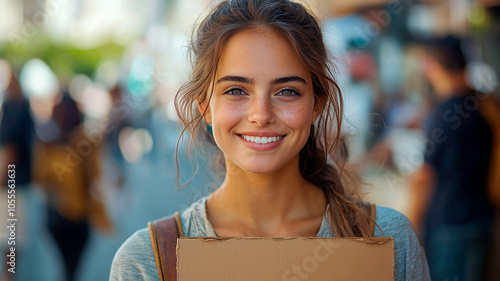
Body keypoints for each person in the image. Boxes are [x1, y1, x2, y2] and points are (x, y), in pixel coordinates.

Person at [110, 1, 430, 280]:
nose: (260, 115)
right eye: (236, 90)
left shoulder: (388, 240)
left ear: (317, 104)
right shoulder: (148, 262)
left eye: (287, 91)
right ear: (204, 106)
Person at [407, 37, 496, 280]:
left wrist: (409, 227)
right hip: (479, 217)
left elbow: (424, 176)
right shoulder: (483, 104)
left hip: (452, 223)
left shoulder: (445, 112)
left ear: (432, 66)